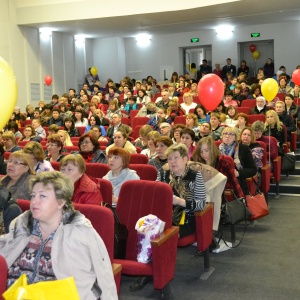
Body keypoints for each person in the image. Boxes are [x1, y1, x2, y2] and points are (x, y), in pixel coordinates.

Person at [0, 171, 117, 299]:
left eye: (42, 196)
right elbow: (6, 250)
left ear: (61, 202)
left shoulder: (80, 232)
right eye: (33, 196)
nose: (34, 201)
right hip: (13, 294)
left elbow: (102, 276)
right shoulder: (22, 223)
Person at [159, 143, 206, 237]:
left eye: (176, 158)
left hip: (186, 219)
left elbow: (201, 204)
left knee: (165, 237)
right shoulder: (163, 174)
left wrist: (179, 201)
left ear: (185, 159)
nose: (172, 161)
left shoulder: (195, 176)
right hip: (164, 216)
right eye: (169, 158)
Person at [0, 151, 35, 232]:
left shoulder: (32, 183)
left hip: (22, 228)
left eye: (16, 162)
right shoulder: (2, 181)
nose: (10, 164)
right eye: (9, 161)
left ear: (26, 168)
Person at [219, 127, 257, 193]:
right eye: (225, 133)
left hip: (237, 178)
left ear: (235, 137)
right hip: (220, 177)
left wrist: (238, 173)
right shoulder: (217, 149)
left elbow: (253, 169)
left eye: (231, 134)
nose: (227, 136)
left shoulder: (243, 149)